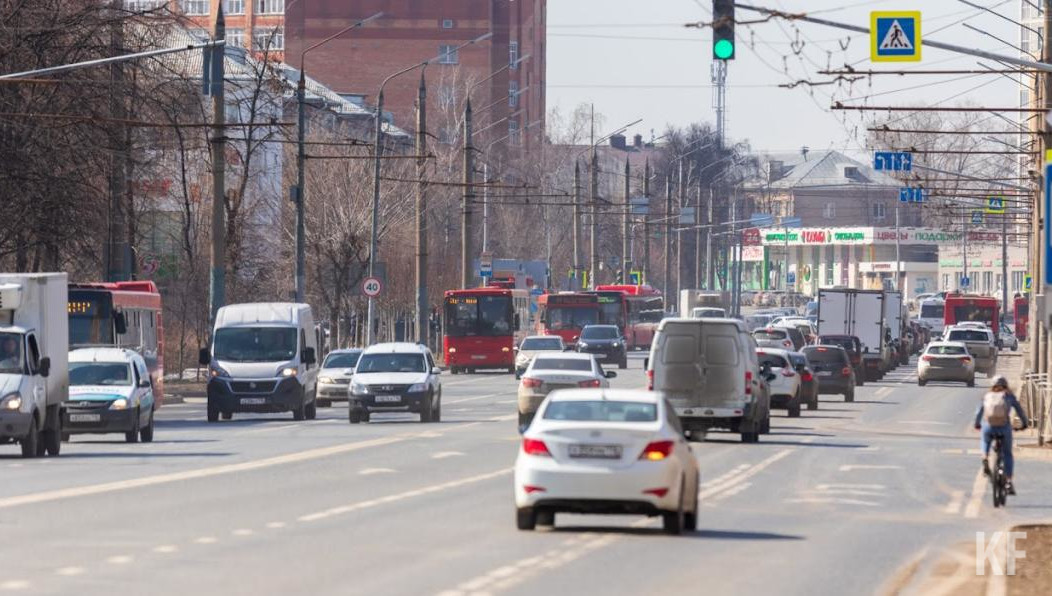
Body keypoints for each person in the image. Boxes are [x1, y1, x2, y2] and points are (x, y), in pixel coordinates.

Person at [975, 376, 1028, 495]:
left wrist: (977, 424)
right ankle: (1008, 481)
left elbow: (979, 413)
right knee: (1007, 454)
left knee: (985, 440)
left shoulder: (987, 396)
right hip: (1004, 428)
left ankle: (985, 457)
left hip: (989, 427)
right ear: (1006, 385)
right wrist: (1024, 424)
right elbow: (1020, 411)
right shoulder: (1009, 396)